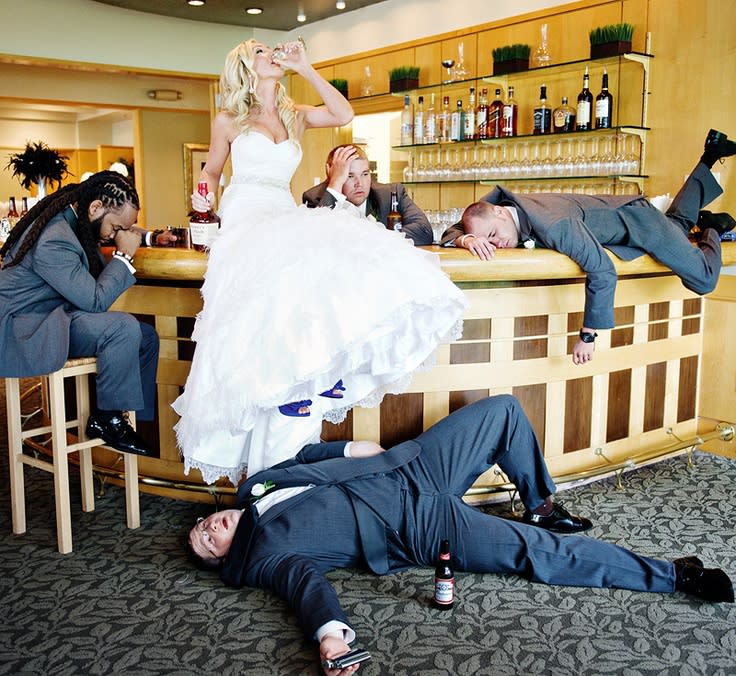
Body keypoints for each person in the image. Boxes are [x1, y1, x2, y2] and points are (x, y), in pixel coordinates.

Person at [186, 394, 734, 674]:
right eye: (208, 542)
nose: (210, 527)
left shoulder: (253, 487)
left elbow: (304, 456)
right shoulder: (265, 557)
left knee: (504, 411)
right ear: (226, 560)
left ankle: (540, 502)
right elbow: (306, 589)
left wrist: (350, 449)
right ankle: (670, 575)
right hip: (416, 527)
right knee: (538, 555)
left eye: (202, 525)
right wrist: (331, 635)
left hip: (411, 465)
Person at [171, 40, 467, 485]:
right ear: (244, 66)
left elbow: (343, 114)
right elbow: (212, 170)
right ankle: (282, 391)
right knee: (273, 285)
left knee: (330, 256)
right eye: (260, 51)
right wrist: (202, 196)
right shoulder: (229, 119)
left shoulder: (294, 114)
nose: (271, 54)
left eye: (272, 50)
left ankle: (323, 372)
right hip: (246, 210)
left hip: (280, 207)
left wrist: (305, 68)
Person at [441, 129, 736, 365]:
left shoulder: (554, 225)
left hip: (640, 223)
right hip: (630, 215)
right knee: (679, 224)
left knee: (704, 278)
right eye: (487, 240)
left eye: (492, 235)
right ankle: (711, 155)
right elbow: (460, 224)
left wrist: (588, 335)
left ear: (501, 213)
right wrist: (466, 238)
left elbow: (602, 270)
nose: (496, 245)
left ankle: (713, 226)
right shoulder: (498, 207)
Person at [0, 171, 160, 456]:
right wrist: (123, 257)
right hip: (26, 327)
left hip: (55, 316)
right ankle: (107, 419)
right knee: (123, 328)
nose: (115, 236)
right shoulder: (54, 239)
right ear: (96, 207)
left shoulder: (80, 219)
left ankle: (131, 420)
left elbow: (111, 228)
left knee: (146, 336)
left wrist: (150, 236)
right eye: (115, 227)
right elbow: (95, 301)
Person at [302, 144, 434, 246]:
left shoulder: (391, 194)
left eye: (365, 174)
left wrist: (374, 239)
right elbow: (317, 241)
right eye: (350, 176)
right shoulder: (314, 198)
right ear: (332, 174)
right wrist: (335, 184)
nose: (359, 183)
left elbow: (424, 231)